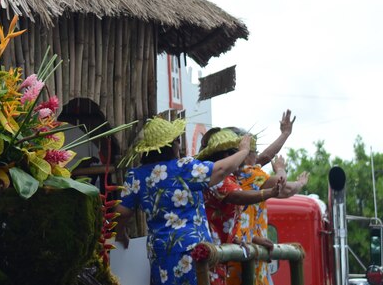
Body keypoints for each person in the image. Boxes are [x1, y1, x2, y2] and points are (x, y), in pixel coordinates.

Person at [115, 115, 252, 285]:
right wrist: (244, 151)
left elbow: (121, 213)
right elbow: (221, 169)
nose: (179, 144)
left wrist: (121, 234)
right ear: (171, 145)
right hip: (194, 252)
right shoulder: (184, 167)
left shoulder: (136, 176)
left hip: (161, 253)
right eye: (177, 141)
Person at [197, 128, 285, 285]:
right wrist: (268, 192)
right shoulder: (217, 178)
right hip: (211, 254)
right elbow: (236, 196)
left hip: (221, 253)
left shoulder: (227, 177)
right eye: (237, 153)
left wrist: (238, 239)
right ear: (226, 156)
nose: (243, 159)